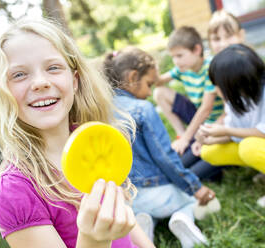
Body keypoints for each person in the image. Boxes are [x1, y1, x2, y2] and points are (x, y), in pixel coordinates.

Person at [0, 18, 153, 248]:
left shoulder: (92, 144)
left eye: (53, 68)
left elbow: (125, 219)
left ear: (74, 81)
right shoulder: (14, 191)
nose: (40, 83)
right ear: (2, 92)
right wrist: (94, 239)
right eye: (19, 75)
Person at [104, 46, 217, 248]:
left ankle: (144, 223)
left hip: (127, 199)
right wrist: (195, 188)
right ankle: (183, 218)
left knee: (144, 210)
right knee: (190, 200)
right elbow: (165, 157)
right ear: (132, 77)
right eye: (149, 84)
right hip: (157, 193)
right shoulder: (142, 109)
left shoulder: (100, 108)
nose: (149, 92)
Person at [198, 44, 265, 207]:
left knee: (249, 148)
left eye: (219, 84)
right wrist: (210, 138)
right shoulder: (237, 97)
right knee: (208, 152)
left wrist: (225, 130)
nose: (216, 89)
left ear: (236, 82)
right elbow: (238, 132)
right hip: (264, 144)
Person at [182, 10, 246, 181]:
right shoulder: (215, 68)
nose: (224, 44)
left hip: (243, 134)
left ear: (241, 35)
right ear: (209, 43)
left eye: (229, 36)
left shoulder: (247, 65)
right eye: (217, 39)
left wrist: (210, 136)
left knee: (193, 175)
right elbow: (224, 111)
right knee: (183, 162)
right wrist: (204, 136)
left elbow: (238, 114)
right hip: (226, 130)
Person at [153, 26, 224, 156]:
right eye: (173, 57)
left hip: (215, 121)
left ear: (197, 49)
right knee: (159, 92)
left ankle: (187, 138)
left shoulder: (210, 67)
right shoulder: (183, 68)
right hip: (197, 116)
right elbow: (159, 82)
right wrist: (154, 72)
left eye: (179, 55)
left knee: (195, 158)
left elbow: (206, 108)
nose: (176, 61)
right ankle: (182, 134)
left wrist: (187, 138)